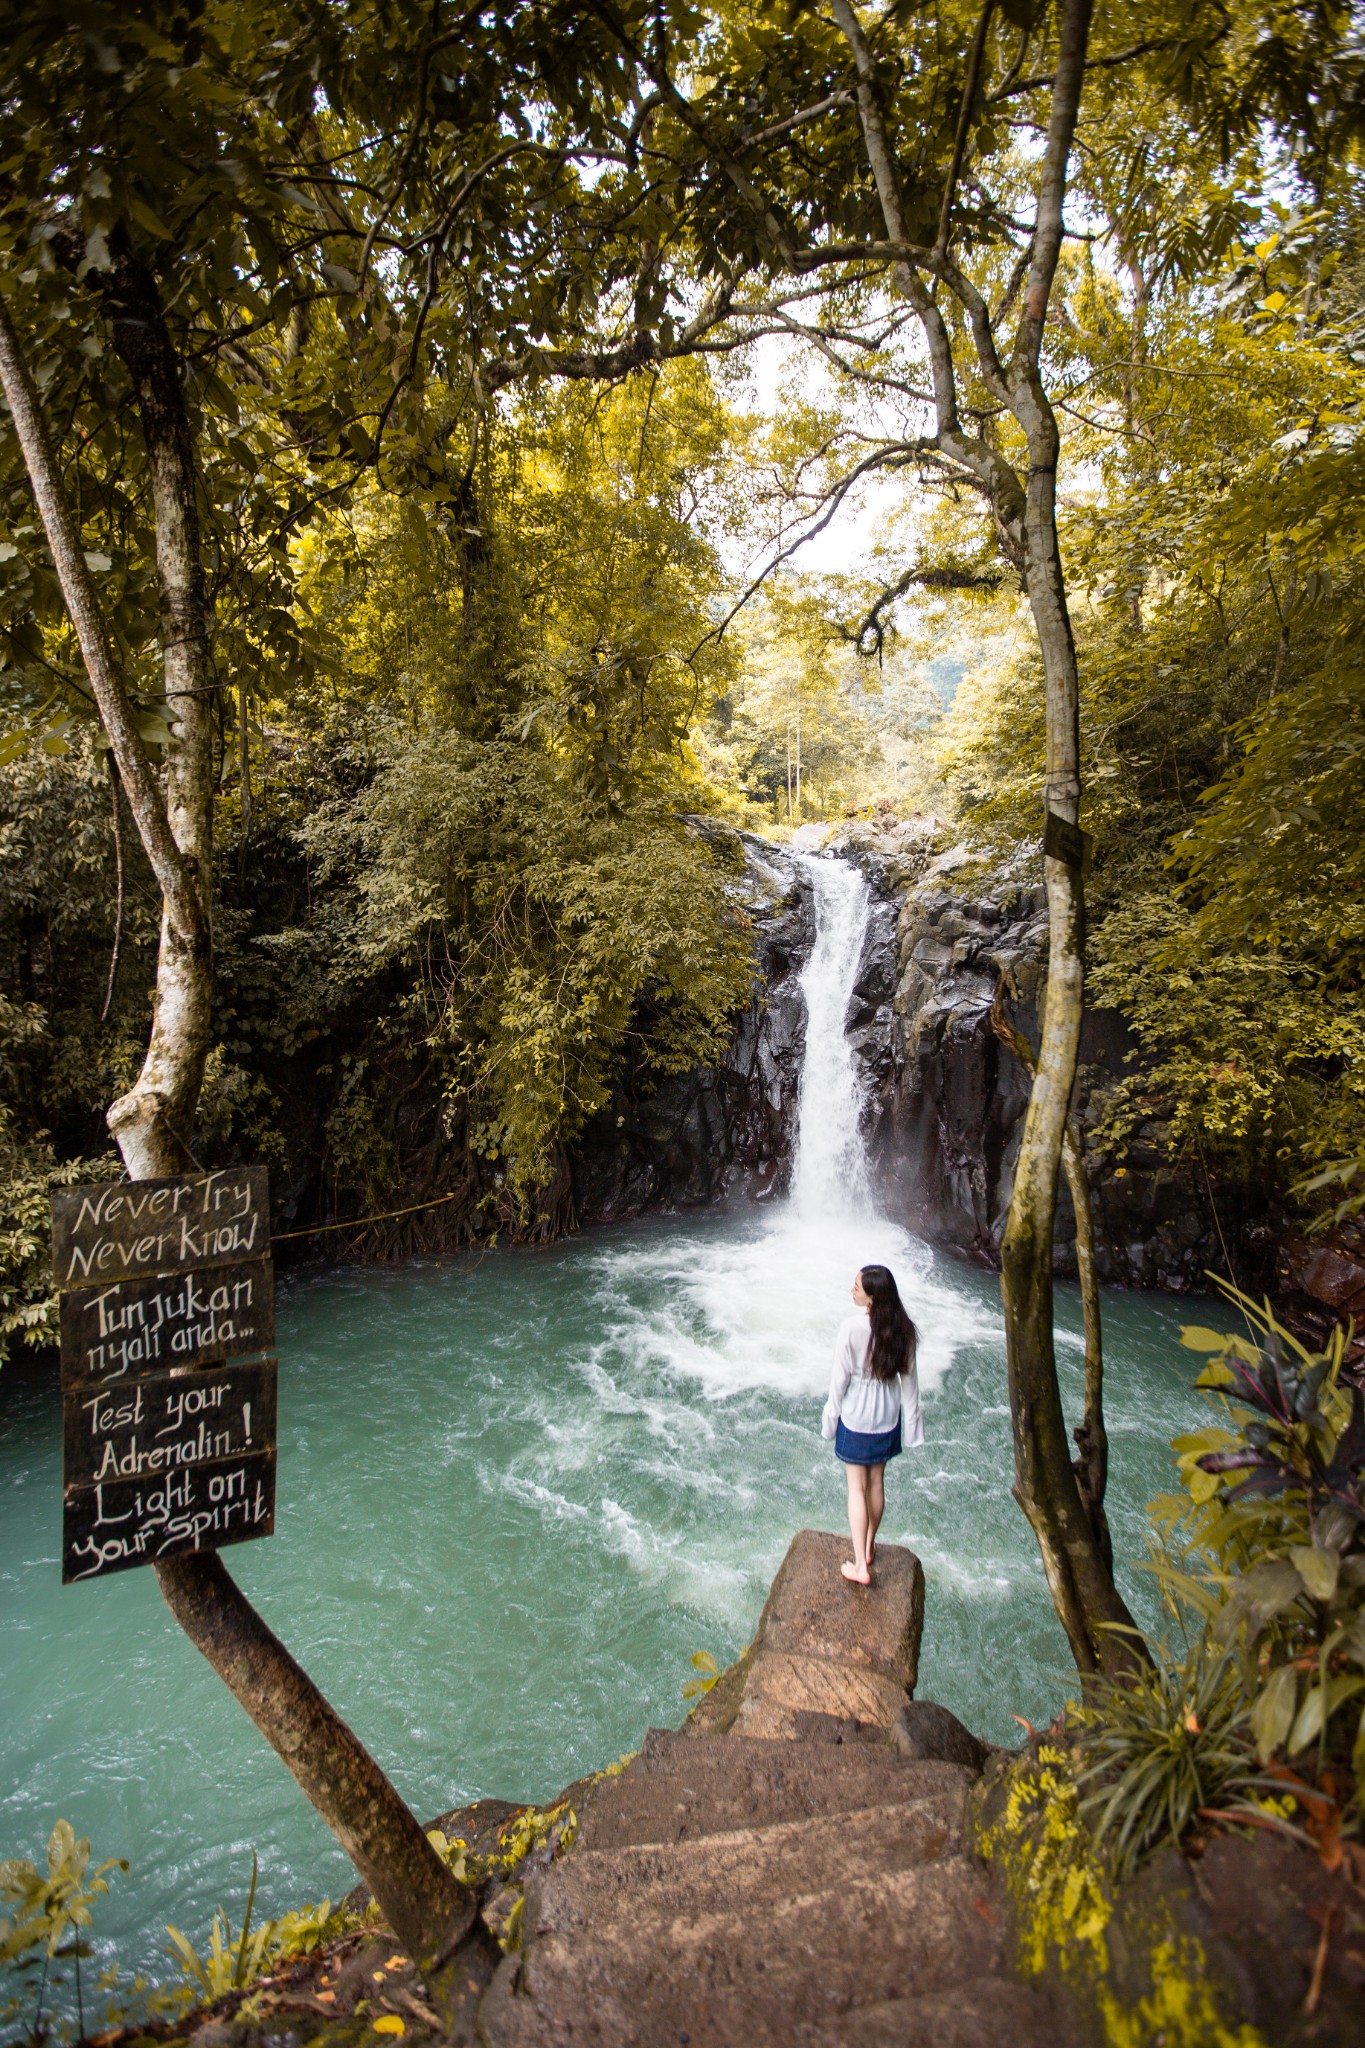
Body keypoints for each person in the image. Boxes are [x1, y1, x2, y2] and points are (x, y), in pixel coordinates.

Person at [821, 1264, 923, 1584]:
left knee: (856, 1488)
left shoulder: (850, 1328)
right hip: (886, 1415)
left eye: (857, 1287)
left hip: (856, 1415)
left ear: (873, 1297)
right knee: (876, 1483)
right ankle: (867, 1546)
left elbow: (840, 1379)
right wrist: (914, 1428)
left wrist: (830, 1419)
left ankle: (860, 1568)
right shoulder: (904, 1330)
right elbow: (911, 1384)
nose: (852, 1290)